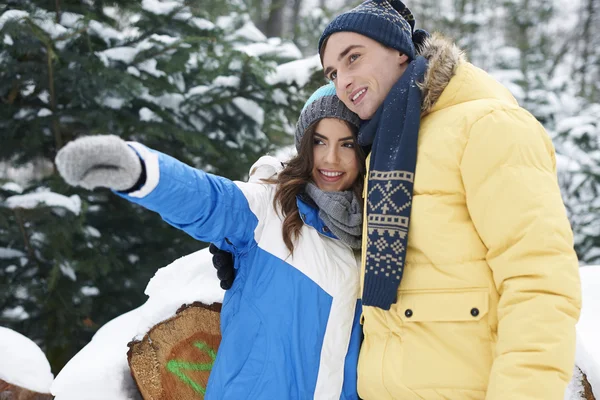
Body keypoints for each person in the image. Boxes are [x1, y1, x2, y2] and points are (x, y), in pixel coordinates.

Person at [317, 0, 582, 399]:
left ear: (399, 51)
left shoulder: (487, 125)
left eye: (353, 57)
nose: (342, 80)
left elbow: (539, 281)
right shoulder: (386, 148)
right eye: (333, 73)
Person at [55, 84, 366, 399]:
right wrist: (140, 171)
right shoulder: (270, 209)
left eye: (347, 144)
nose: (331, 158)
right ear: (303, 144)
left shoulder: (378, 234)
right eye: (319, 141)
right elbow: (209, 200)